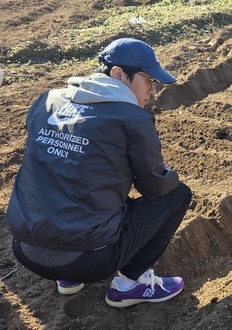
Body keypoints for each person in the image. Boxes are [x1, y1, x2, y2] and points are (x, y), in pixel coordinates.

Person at [7, 38, 192, 308]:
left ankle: (67, 279)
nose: (153, 91)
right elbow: (155, 187)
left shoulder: (47, 101)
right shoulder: (132, 119)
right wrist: (169, 175)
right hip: (88, 261)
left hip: (25, 249)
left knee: (67, 174)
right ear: (118, 74)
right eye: (149, 81)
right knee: (178, 195)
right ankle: (132, 283)